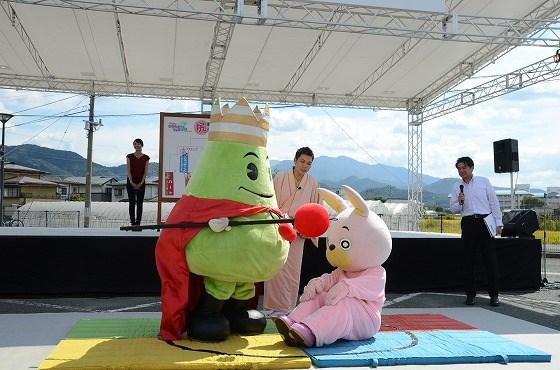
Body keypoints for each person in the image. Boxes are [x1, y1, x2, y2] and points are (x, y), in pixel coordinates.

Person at [264, 146, 320, 316]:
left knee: (292, 271)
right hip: (278, 228)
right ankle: (270, 306)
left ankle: (287, 307)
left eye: (309, 163)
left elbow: (316, 209)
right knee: (275, 268)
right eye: (302, 161)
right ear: (295, 160)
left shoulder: (312, 183)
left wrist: (308, 230)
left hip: (298, 232)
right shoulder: (279, 178)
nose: (305, 166)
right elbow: (269, 203)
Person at [450, 156, 503, 307]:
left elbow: (493, 202)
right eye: (459, 169)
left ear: (471, 168)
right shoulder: (456, 186)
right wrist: (459, 202)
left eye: (464, 168)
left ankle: (494, 295)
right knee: (468, 260)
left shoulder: (484, 181)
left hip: (485, 221)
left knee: (490, 260)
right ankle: (470, 295)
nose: (462, 171)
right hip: (468, 223)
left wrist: (499, 223)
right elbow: (452, 209)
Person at [126, 138, 150, 226]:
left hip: (141, 182)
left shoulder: (146, 158)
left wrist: (141, 183)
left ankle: (138, 223)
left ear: (142, 145)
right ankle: (132, 222)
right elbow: (128, 170)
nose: (136, 145)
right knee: (131, 203)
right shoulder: (129, 156)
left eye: (138, 144)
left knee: (140, 203)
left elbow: (145, 172)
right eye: (135, 144)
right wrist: (131, 182)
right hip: (130, 182)